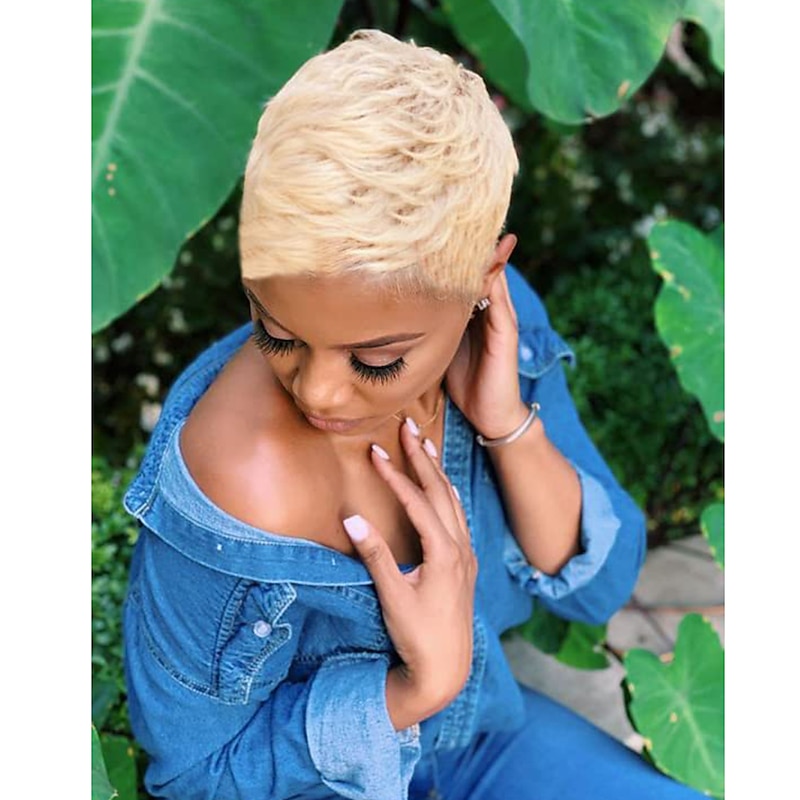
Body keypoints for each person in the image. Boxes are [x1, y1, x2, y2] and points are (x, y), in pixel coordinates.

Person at [121, 29, 704, 800]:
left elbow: (600, 589)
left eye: (375, 358)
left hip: (474, 740)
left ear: (484, 279)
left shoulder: (497, 331)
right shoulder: (232, 480)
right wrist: (413, 689)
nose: (319, 392)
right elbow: (195, 776)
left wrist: (506, 423)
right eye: (277, 330)